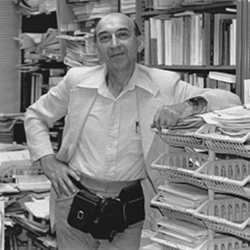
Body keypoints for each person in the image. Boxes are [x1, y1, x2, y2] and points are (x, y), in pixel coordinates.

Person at [24, 12, 240, 250]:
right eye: (105, 38)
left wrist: (186, 106)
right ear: (97, 48)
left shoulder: (164, 84)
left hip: (130, 207)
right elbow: (35, 116)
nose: (114, 44)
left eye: (122, 35)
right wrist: (47, 160)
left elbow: (231, 100)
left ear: (139, 43)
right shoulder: (76, 81)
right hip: (74, 197)